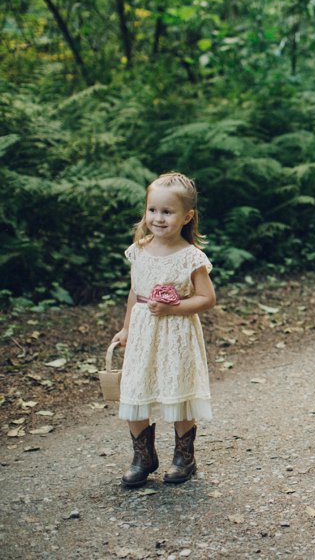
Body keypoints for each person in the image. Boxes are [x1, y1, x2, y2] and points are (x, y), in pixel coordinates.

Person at [112, 172, 216, 487]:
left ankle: (185, 457)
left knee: (178, 391)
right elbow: (134, 293)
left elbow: (207, 298)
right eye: (153, 210)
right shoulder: (140, 249)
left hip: (177, 333)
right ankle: (143, 456)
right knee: (135, 389)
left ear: (187, 217)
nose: (158, 218)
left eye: (168, 212)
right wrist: (126, 328)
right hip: (144, 332)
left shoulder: (191, 257)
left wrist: (174, 308)